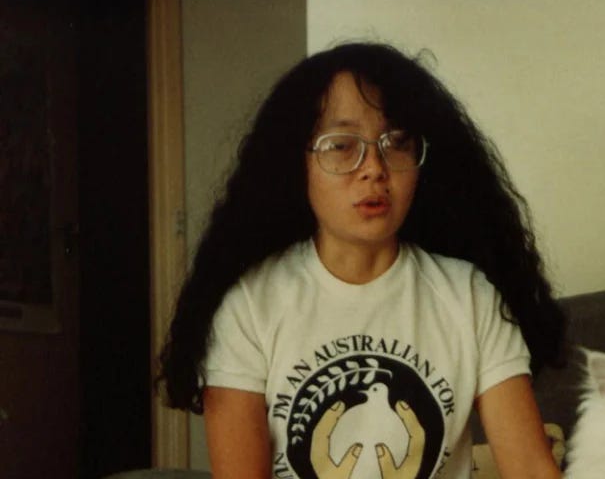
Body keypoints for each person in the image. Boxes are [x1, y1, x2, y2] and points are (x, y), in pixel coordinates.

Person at [158, 42, 566, 479]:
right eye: (340, 145)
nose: (374, 167)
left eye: (397, 142)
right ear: (298, 165)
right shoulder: (249, 303)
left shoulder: (469, 295)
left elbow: (530, 468)